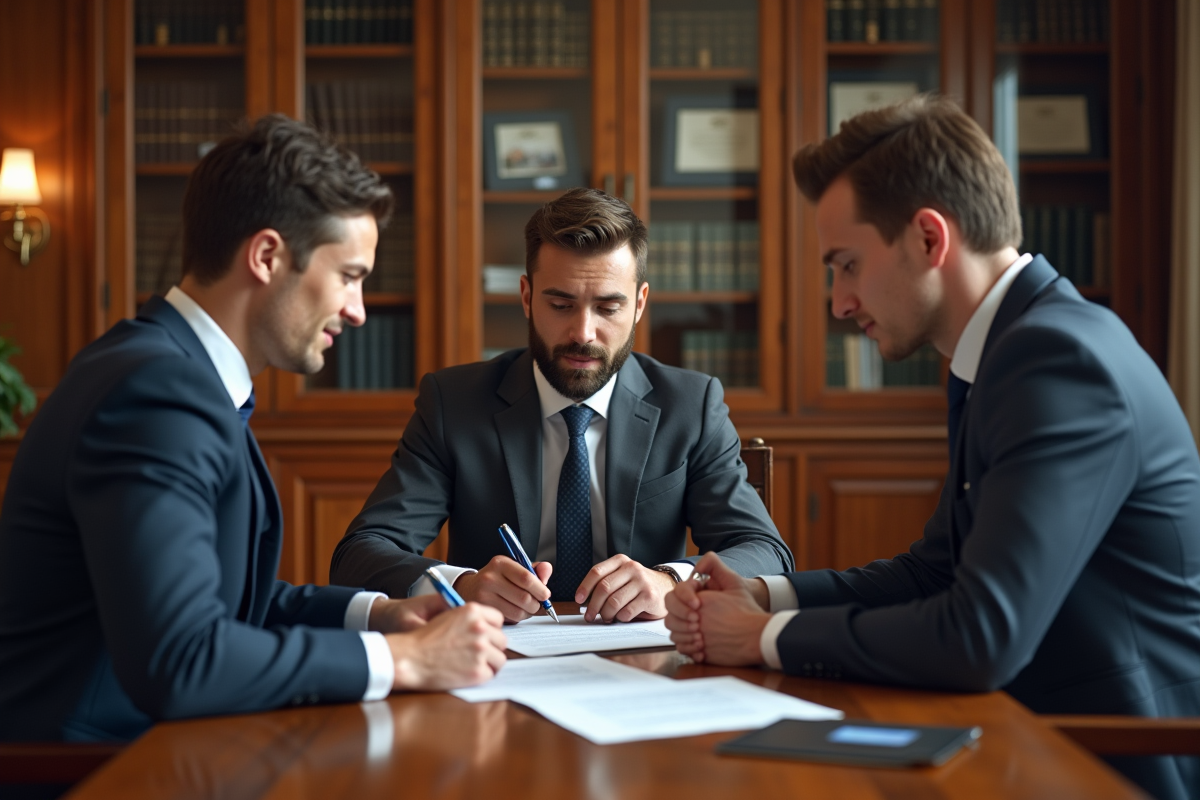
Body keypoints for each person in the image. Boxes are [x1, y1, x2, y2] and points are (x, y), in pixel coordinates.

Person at [664, 95, 1200, 800]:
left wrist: (761, 637)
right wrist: (765, 593)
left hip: (1108, 762)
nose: (839, 302)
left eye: (847, 265)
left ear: (927, 238)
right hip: (1026, 737)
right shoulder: (1009, 352)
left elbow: (982, 636)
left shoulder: (1056, 362)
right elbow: (936, 571)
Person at [0, 115, 507, 743]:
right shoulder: (159, 393)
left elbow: (227, 603)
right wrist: (404, 660)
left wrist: (380, 615)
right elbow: (183, 660)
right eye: (349, 276)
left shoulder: (166, 368)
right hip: (92, 765)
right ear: (267, 256)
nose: (357, 311)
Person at [330, 188, 792, 624]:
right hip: (495, 655)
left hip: (644, 656)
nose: (583, 333)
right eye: (561, 304)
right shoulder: (453, 403)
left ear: (639, 304)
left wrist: (671, 581)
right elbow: (361, 553)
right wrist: (461, 586)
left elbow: (765, 551)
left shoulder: (691, 405)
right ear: (527, 297)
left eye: (608, 308)